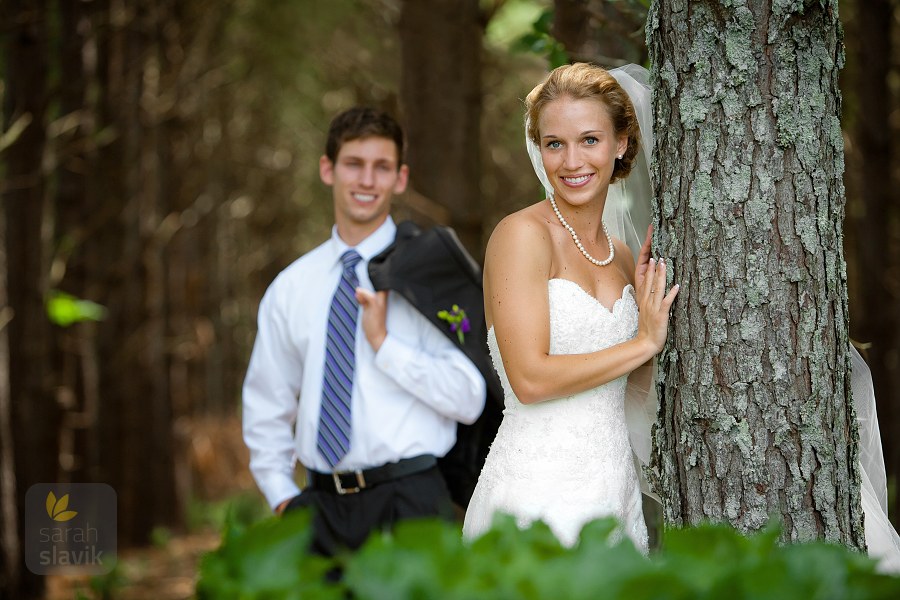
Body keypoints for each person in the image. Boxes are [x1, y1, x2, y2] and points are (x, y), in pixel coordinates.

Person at [242, 106, 487, 558]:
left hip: (410, 502)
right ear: (327, 170)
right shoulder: (290, 287)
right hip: (316, 510)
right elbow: (267, 403)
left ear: (400, 178)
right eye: (354, 164)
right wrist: (282, 496)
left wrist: (384, 345)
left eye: (382, 168)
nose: (367, 180)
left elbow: (470, 398)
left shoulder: (429, 275)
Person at [461, 62, 677, 552]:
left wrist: (651, 332)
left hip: (612, 493)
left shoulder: (622, 257)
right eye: (555, 143)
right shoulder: (522, 236)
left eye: (590, 140)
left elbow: (630, 390)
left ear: (621, 143)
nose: (572, 161)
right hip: (535, 493)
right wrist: (643, 340)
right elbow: (530, 380)